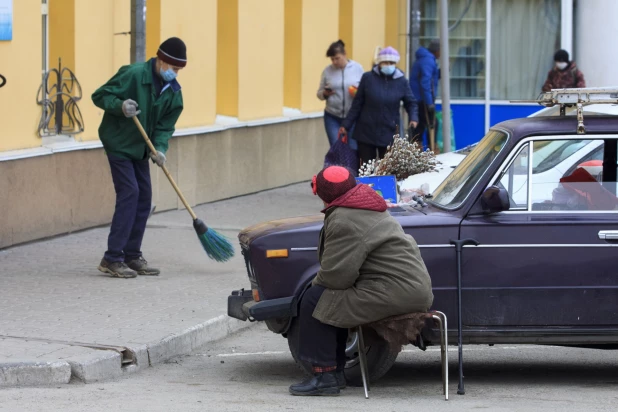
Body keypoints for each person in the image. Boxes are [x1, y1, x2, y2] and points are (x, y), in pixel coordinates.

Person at [289, 166, 434, 396]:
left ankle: (326, 376)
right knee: (325, 298)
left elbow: (337, 276)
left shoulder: (345, 217)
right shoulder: (362, 206)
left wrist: (316, 283)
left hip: (395, 289)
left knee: (314, 299)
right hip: (405, 287)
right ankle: (333, 373)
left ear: (325, 194)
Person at [92, 37, 186, 278]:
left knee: (144, 198)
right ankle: (112, 258)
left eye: (178, 70)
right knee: (130, 193)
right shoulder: (133, 74)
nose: (174, 74)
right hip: (119, 142)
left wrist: (161, 148)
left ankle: (132, 255)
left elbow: (166, 126)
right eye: (173, 68)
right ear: (161, 61)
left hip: (142, 149)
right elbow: (100, 96)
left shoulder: (173, 92)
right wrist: (121, 105)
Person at [339, 47, 418, 166]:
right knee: (365, 168)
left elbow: (411, 102)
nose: (389, 65)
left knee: (386, 169)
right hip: (366, 132)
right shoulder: (368, 78)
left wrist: (413, 118)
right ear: (379, 63)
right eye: (386, 62)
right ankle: (365, 185)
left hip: (389, 132)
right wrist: (346, 125)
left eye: (392, 63)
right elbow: (357, 104)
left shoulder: (401, 81)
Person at [317, 40, 364, 150]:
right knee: (336, 147)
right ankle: (338, 168)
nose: (334, 62)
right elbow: (319, 94)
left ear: (344, 54)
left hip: (352, 116)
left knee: (353, 148)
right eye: (332, 59)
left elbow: (365, 91)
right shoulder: (327, 71)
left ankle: (351, 168)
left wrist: (357, 93)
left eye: (337, 58)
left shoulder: (357, 69)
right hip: (332, 116)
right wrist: (325, 93)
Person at [410, 40, 440, 146]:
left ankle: (417, 151)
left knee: (420, 126)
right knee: (432, 124)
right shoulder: (428, 60)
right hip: (422, 99)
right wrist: (429, 103)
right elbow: (425, 82)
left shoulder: (425, 59)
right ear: (437, 51)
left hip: (418, 98)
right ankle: (430, 150)